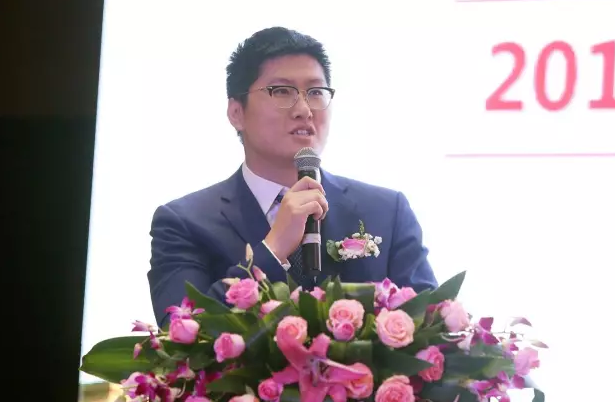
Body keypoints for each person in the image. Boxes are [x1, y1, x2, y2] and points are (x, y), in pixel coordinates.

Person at [147, 26, 438, 327]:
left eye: (315, 92)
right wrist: (272, 250)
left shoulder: (387, 211)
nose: (304, 109)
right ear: (236, 113)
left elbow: (433, 327)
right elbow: (182, 333)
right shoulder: (184, 223)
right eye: (282, 91)